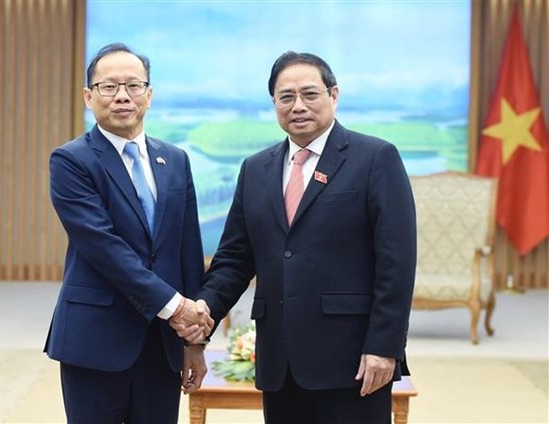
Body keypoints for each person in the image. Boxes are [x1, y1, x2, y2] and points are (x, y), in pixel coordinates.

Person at [174, 51, 417, 423]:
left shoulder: (375, 158)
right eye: (286, 97)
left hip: (353, 361)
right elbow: (235, 259)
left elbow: (396, 264)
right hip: (280, 362)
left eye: (310, 94)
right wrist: (204, 311)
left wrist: (384, 347)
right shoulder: (256, 169)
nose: (298, 106)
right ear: (274, 103)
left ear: (334, 95)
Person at [45, 42, 213, 424]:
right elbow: (103, 247)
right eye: (109, 86)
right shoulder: (72, 160)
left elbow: (188, 250)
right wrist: (177, 308)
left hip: (162, 344)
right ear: (89, 97)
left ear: (149, 95)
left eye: (133, 85)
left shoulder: (175, 159)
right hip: (96, 340)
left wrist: (195, 341)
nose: (122, 95)